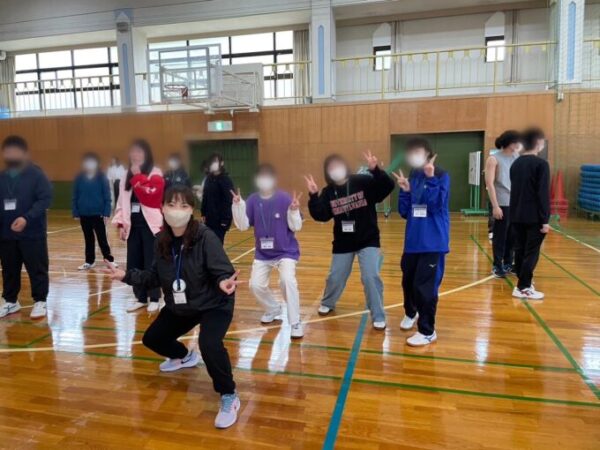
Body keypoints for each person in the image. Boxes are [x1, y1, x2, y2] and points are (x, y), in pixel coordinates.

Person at [103, 185, 241, 429]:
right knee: (152, 338)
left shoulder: (205, 237)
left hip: (214, 302)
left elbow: (223, 271)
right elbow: (154, 277)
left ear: (191, 210)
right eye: (172, 204)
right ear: (162, 208)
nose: (177, 210)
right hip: (183, 304)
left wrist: (223, 282)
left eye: (184, 205)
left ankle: (229, 394)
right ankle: (185, 356)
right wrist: (126, 275)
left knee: (209, 344)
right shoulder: (161, 241)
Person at [305, 151, 394, 330]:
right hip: (343, 242)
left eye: (337, 165)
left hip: (368, 239)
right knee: (335, 277)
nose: (335, 170)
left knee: (370, 276)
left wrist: (376, 170)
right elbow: (321, 215)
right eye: (331, 168)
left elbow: (387, 186)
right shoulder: (328, 192)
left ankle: (378, 315)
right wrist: (313, 196)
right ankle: (328, 302)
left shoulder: (362, 181)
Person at [231, 164, 304, 339]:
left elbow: (296, 226)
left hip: (285, 251)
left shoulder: (284, 198)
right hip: (263, 254)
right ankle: (273, 308)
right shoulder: (252, 200)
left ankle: (295, 321)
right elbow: (242, 226)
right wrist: (238, 205)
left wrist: (294, 210)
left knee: (287, 281)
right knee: (255, 285)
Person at [393, 137, 450, 347]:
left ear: (428, 153)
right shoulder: (413, 175)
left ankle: (427, 331)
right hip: (413, 241)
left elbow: (435, 205)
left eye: (417, 152)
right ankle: (411, 312)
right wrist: (405, 191)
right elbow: (404, 212)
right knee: (408, 282)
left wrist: (431, 177)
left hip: (433, 242)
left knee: (425, 287)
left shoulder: (441, 175)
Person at [0, 135, 52, 319]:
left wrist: (26, 218)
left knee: (36, 268)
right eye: (7, 151)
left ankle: (40, 301)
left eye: (14, 151)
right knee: (9, 269)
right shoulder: (2, 177)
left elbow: (45, 199)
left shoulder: (36, 174)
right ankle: (10, 301)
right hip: (6, 235)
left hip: (32, 233)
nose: (11, 155)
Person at [112, 139, 165, 313]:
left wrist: (137, 176)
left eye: (139, 151)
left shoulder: (155, 173)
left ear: (147, 154)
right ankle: (140, 297)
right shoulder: (125, 175)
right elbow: (121, 202)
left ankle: (155, 297)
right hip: (133, 225)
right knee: (135, 261)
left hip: (152, 225)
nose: (135, 155)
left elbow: (151, 196)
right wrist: (121, 223)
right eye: (133, 151)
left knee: (151, 262)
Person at [509, 128, 550, 300]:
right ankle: (524, 287)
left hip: (516, 215)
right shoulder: (541, 164)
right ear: (538, 143)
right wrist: (545, 220)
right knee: (531, 252)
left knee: (520, 250)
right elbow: (542, 193)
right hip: (534, 217)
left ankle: (523, 283)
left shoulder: (516, 164)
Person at [485, 130, 521, 278]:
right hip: (501, 202)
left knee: (513, 236)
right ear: (509, 142)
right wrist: (495, 206)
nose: (518, 144)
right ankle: (497, 265)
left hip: (515, 202)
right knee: (500, 236)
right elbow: (489, 184)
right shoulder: (493, 159)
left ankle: (508, 263)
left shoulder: (517, 157)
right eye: (516, 141)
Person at [72, 152, 116, 270]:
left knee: (102, 238)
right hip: (84, 214)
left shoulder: (102, 177)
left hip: (98, 214)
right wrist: (76, 211)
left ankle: (109, 260)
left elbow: (107, 196)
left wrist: (106, 212)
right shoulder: (79, 178)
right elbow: (75, 195)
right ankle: (89, 261)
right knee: (88, 239)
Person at [201, 153, 234, 243]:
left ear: (221, 163)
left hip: (220, 221)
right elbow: (205, 197)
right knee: (208, 244)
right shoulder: (208, 179)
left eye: (215, 161)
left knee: (217, 244)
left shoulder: (225, 180)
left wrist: (225, 220)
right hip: (209, 219)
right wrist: (203, 213)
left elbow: (228, 201)